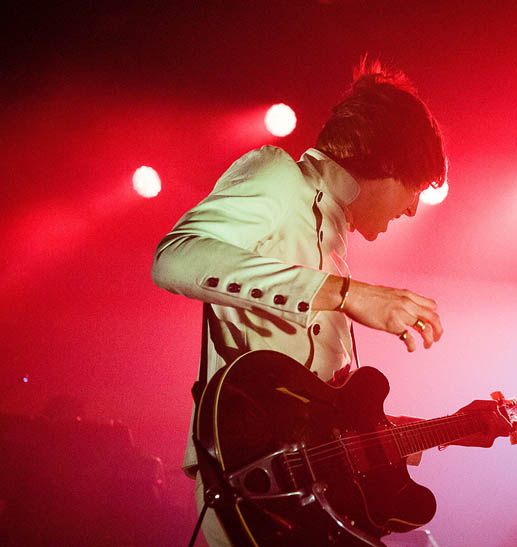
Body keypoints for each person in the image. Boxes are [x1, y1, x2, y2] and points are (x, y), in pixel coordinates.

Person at [151, 59, 446, 546]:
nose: (413, 207)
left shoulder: (334, 248)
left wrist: (436, 431)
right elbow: (174, 258)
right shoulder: (278, 175)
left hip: (309, 488)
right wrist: (346, 295)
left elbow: (322, 418)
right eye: (414, 188)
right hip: (254, 480)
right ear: (389, 166)